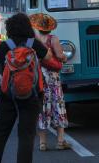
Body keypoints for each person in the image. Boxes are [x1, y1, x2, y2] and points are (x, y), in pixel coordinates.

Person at [0, 13, 52, 163]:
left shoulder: (5, 45)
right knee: (26, 136)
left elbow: (0, 64)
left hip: (7, 96)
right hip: (32, 95)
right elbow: (48, 57)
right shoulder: (33, 44)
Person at [29, 13, 71, 151]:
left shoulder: (34, 40)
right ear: (50, 28)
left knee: (42, 108)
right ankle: (60, 141)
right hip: (52, 77)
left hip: (39, 77)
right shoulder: (53, 39)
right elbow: (60, 56)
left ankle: (42, 143)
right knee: (58, 105)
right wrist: (64, 57)